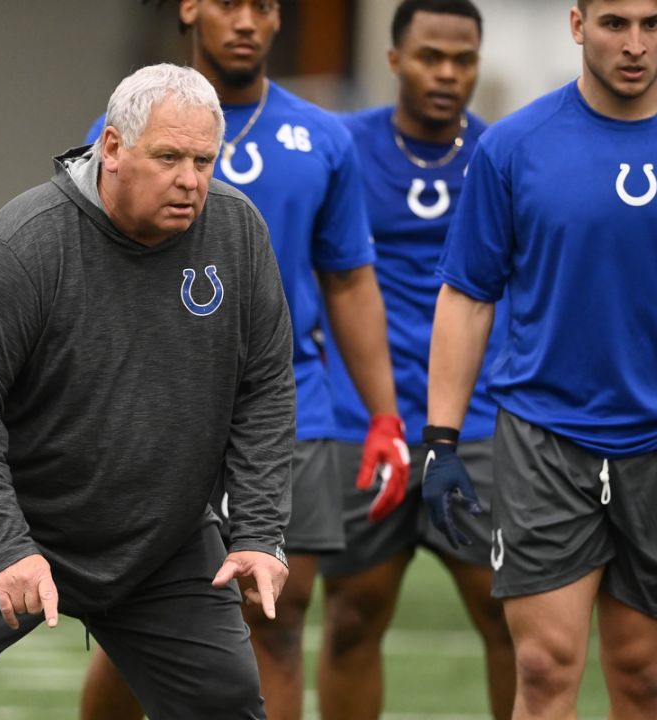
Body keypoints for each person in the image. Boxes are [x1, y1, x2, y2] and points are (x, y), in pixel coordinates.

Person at [0, 63, 296, 720]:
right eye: (168, 157)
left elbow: (265, 390)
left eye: (203, 160)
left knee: (226, 703)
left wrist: (257, 531)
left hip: (160, 540)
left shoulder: (238, 232)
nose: (190, 181)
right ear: (112, 147)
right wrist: (6, 547)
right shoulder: (27, 243)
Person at [424, 1, 657, 719]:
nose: (634, 43)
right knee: (544, 668)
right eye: (615, 22)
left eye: (651, 23)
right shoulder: (514, 147)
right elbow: (467, 298)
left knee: (643, 678)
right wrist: (440, 441)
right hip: (542, 437)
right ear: (578, 23)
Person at [80, 3, 406, 719]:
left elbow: (349, 280)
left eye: (263, 6)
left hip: (292, 407)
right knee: (133, 620)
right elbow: (90, 271)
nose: (248, 21)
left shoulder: (325, 137)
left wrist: (385, 416)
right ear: (190, 7)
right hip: (157, 414)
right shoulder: (127, 126)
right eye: (229, 2)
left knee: (276, 619)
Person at [316, 2, 515, 719]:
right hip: (362, 419)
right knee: (349, 619)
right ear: (396, 59)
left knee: (508, 619)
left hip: (481, 420)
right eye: (431, 56)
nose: (448, 73)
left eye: (463, 60)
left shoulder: (504, 154)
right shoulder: (339, 147)